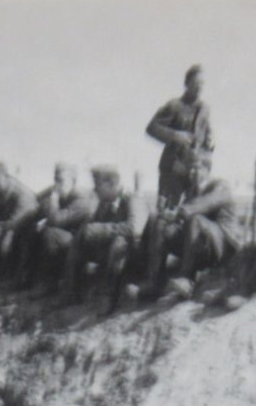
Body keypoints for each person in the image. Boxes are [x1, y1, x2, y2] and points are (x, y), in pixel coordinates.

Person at [145, 155, 243, 300]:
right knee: (161, 223)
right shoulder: (191, 192)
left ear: (207, 170)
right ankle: (156, 281)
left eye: (196, 168)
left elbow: (204, 204)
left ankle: (187, 279)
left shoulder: (221, 186)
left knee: (195, 220)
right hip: (200, 246)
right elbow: (180, 221)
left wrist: (178, 212)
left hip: (222, 246)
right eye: (190, 169)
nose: (192, 172)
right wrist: (167, 220)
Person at [63, 165, 149, 311]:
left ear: (111, 184)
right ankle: (70, 291)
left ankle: (109, 296)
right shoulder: (105, 203)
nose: (94, 190)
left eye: (97, 185)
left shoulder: (132, 199)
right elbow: (94, 226)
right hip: (112, 254)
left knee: (119, 242)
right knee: (81, 236)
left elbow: (135, 228)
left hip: (136, 255)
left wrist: (100, 229)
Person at [10, 162, 95, 290]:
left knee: (49, 233)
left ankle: (50, 283)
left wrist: (53, 200)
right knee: (31, 229)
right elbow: (35, 199)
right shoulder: (60, 192)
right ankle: (24, 278)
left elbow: (55, 220)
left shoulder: (81, 198)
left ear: (73, 180)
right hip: (65, 239)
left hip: (80, 243)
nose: (57, 185)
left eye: (61, 180)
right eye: (55, 180)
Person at [146, 65, 215, 210]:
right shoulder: (174, 106)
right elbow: (151, 128)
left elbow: (207, 132)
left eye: (202, 84)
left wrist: (210, 142)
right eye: (195, 83)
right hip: (172, 169)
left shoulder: (204, 109)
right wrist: (176, 136)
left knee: (193, 212)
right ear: (187, 84)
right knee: (167, 212)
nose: (199, 88)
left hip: (194, 170)